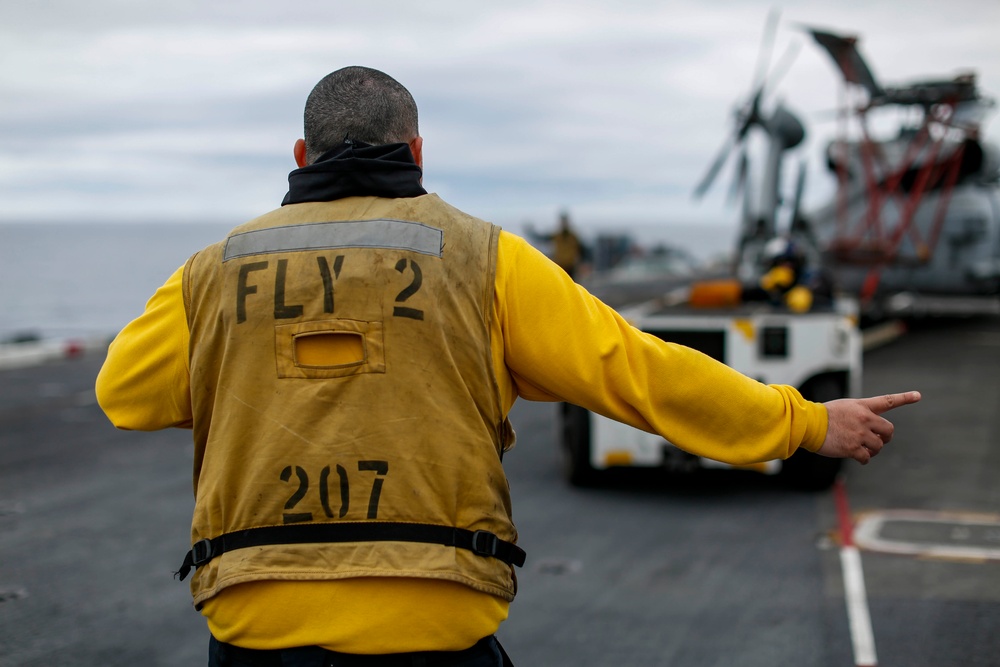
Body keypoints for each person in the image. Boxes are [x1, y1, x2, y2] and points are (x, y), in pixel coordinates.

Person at [95, 66, 920, 666]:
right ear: (416, 148)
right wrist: (806, 420)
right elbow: (634, 369)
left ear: (301, 152)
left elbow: (125, 392)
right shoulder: (485, 258)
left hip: (255, 622)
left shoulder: (215, 268)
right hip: (436, 617)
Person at [524, 209, 585, 279]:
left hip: (571, 266)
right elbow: (542, 238)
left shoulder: (573, 236)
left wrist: (583, 263)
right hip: (560, 265)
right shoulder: (557, 235)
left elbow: (582, 250)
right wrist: (530, 232)